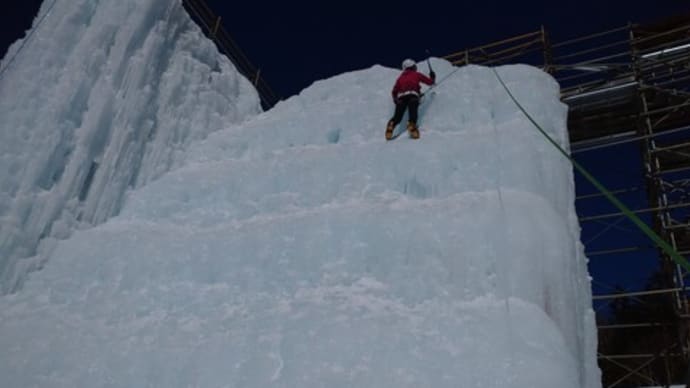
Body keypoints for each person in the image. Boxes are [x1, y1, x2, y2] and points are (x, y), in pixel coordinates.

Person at [386, 58, 435, 140]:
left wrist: (395, 99)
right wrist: (432, 77)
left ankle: (392, 124)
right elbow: (429, 82)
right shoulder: (416, 74)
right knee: (413, 112)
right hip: (413, 96)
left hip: (401, 98)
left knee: (397, 117)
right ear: (412, 66)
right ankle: (412, 124)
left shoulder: (400, 78)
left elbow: (394, 91)